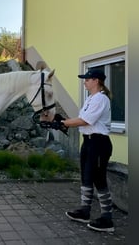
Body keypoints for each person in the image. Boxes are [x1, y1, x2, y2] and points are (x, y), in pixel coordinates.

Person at [58, 69, 114, 232]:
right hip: (88, 142)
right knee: (86, 176)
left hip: (99, 143)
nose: (85, 82)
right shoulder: (91, 98)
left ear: (96, 81)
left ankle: (107, 219)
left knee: (98, 179)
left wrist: (63, 123)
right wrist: (63, 122)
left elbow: (85, 120)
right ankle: (84, 212)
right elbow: (82, 121)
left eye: (87, 79)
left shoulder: (100, 99)